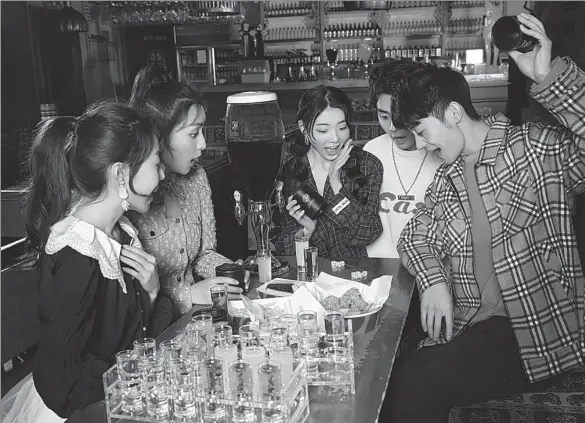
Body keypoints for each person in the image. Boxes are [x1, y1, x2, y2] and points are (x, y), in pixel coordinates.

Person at [385, 14, 585, 422]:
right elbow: (414, 235)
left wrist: (549, 77)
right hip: (475, 328)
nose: (422, 145)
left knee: (417, 381)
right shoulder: (448, 176)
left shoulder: (532, 148)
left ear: (454, 113)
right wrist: (434, 280)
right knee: (394, 371)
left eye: (423, 131)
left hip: (532, 331)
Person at [1, 101, 174, 422]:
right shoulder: (75, 256)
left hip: (117, 396)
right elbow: (59, 385)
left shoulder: (119, 232)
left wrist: (150, 292)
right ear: (121, 174)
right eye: (156, 163)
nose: (163, 175)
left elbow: (127, 339)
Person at [128, 64, 245, 316]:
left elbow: (203, 255)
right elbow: (126, 298)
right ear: (160, 136)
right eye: (194, 134)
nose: (203, 144)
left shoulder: (196, 178)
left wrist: (230, 272)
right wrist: (188, 295)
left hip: (200, 317)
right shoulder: (131, 195)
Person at [274, 85, 383, 258]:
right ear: (303, 128)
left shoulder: (367, 165)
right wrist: (306, 232)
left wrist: (337, 186)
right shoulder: (288, 172)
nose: (335, 139)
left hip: (352, 275)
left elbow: (368, 233)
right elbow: (279, 246)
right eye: (323, 130)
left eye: (342, 128)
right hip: (305, 276)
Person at [364, 59, 443, 259]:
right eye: (384, 117)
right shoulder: (371, 151)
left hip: (432, 274)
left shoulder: (442, 154)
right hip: (379, 271)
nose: (392, 127)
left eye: (400, 116)